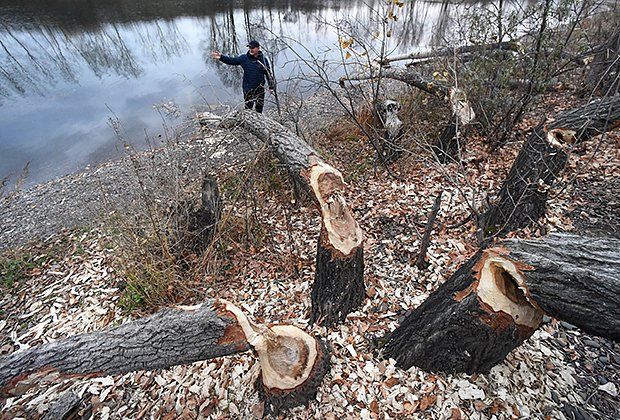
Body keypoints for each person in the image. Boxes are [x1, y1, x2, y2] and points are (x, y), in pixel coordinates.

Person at [211, 40, 274, 113]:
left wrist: (271, 86)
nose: (250, 49)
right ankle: (248, 122)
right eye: (249, 48)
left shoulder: (264, 60)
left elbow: (268, 73)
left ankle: (258, 123)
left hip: (260, 89)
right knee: (248, 109)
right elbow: (232, 60)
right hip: (248, 89)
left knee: (259, 109)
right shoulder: (244, 58)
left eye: (252, 48)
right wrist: (221, 57)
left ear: (258, 48)